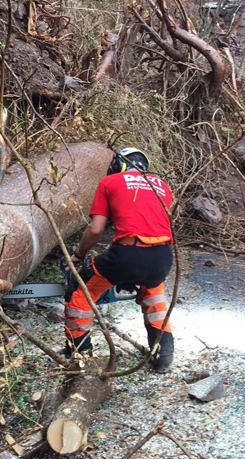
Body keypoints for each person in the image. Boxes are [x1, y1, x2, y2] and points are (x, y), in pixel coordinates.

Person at [62, 147, 175, 373]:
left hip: (128, 254)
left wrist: (79, 256)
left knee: (80, 290)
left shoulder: (111, 182)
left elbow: (95, 231)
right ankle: (164, 357)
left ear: (117, 165)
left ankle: (79, 353)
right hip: (163, 255)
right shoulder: (161, 186)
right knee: (154, 297)